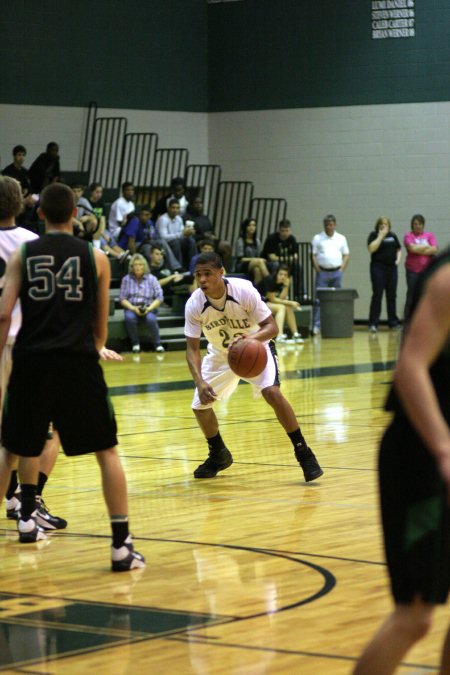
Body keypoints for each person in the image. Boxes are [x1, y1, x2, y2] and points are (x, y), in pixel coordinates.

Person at [0, 183, 145, 570]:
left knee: (13, 449)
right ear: (76, 216)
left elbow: (3, 314)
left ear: (41, 213)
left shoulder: (23, 252)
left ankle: (24, 518)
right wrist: (92, 344)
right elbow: (101, 325)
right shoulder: (96, 257)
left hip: (30, 361)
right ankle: (121, 545)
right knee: (107, 452)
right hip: (78, 362)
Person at [354, 247, 450, 674]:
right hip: (421, 457)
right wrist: (444, 451)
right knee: (416, 617)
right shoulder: (448, 280)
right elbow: (410, 366)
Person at [184, 251, 323, 483]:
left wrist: (250, 341)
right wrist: (199, 381)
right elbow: (192, 349)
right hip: (220, 355)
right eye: (199, 275)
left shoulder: (243, 290)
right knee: (200, 406)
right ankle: (219, 454)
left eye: (208, 274)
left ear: (221, 272)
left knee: (272, 392)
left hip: (256, 347)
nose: (203, 280)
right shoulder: (194, 304)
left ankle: (304, 453)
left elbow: (271, 327)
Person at [0, 176, 66, 532]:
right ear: (23, 204)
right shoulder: (32, 242)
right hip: (27, 346)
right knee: (41, 431)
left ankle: (15, 500)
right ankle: (29, 504)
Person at [311, 214, 350, 336]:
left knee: (336, 300)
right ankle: (316, 326)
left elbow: (346, 254)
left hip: (336, 273)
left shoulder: (341, 238)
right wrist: (318, 269)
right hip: (322, 273)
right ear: (324, 225)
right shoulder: (317, 238)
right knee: (318, 300)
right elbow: (313, 255)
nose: (329, 226)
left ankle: (335, 324)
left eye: (331, 224)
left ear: (335, 225)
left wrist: (341, 269)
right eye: (327, 224)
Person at [119, 253, 165, 353]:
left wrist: (149, 308)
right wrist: (133, 308)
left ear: (145, 266)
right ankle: (135, 344)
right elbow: (122, 298)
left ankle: (158, 344)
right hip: (132, 307)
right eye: (135, 265)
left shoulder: (152, 279)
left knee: (151, 319)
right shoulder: (126, 279)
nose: (138, 267)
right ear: (131, 267)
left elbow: (159, 297)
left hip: (149, 307)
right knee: (130, 318)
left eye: (140, 264)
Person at [367, 217, 402, 333]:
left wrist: (397, 260)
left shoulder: (393, 236)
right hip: (378, 268)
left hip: (391, 268)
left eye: (386, 224)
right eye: (381, 224)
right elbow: (371, 248)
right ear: (378, 225)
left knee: (391, 295)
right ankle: (373, 323)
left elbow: (399, 249)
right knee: (378, 294)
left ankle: (393, 322)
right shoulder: (373, 235)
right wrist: (381, 236)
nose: (383, 226)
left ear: (389, 226)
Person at [403, 214, 438, 321]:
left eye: (419, 224)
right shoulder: (408, 236)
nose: (417, 226)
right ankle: (408, 320)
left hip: (426, 271)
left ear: (423, 225)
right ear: (412, 225)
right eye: (415, 224)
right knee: (412, 294)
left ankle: (425, 320)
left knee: (425, 295)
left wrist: (419, 248)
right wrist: (426, 247)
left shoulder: (430, 235)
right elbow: (412, 249)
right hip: (412, 271)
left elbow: (434, 250)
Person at [258, 265, 303, 343]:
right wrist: (291, 302)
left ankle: (295, 334)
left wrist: (286, 286)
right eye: (281, 274)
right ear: (277, 274)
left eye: (285, 275)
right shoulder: (270, 280)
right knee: (281, 307)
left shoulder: (282, 283)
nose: (283, 277)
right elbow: (272, 299)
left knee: (287, 307)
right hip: (259, 303)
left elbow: (281, 298)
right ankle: (279, 335)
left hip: (268, 303)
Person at [184, 196, 233, 269]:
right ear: (191, 205)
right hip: (199, 241)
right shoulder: (188, 217)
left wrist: (213, 236)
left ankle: (226, 271)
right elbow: (189, 236)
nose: (198, 205)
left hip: (210, 240)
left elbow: (211, 230)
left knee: (226, 246)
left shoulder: (205, 217)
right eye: (196, 203)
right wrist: (203, 235)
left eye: (200, 203)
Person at [261, 219, 303, 298]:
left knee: (298, 265)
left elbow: (295, 257)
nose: (284, 233)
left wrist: (282, 258)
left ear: (290, 230)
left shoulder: (292, 239)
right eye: (282, 231)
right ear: (279, 230)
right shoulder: (272, 238)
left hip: (284, 263)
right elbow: (272, 257)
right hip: (269, 263)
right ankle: (276, 291)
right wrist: (289, 258)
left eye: (286, 231)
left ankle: (299, 293)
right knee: (276, 264)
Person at [156, 198, 197, 270]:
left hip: (176, 240)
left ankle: (195, 265)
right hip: (163, 243)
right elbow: (163, 237)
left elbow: (182, 233)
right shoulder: (163, 219)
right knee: (176, 242)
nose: (175, 210)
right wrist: (182, 234)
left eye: (177, 208)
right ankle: (178, 268)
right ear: (168, 208)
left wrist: (189, 233)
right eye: (173, 208)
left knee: (191, 240)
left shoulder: (179, 219)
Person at [234, 217, 269, 285]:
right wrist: (255, 260)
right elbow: (241, 259)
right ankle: (271, 285)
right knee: (260, 261)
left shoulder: (257, 241)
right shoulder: (240, 240)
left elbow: (259, 255)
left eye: (254, 225)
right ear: (245, 227)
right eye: (249, 225)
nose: (252, 227)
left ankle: (257, 293)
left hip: (255, 264)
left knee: (257, 270)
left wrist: (257, 260)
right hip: (242, 265)